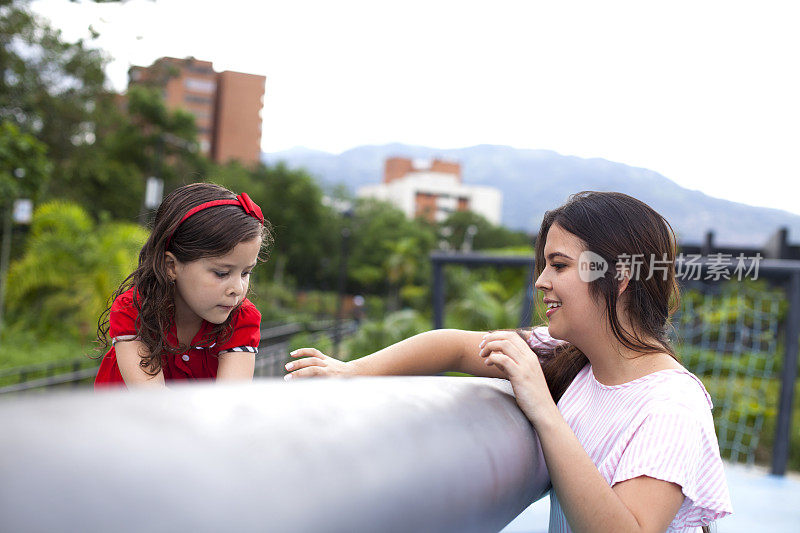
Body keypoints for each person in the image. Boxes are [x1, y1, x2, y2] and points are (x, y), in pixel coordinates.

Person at [285, 191, 733, 532]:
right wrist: (352, 371)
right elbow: (457, 346)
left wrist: (542, 407)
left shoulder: (671, 405)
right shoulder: (571, 355)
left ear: (619, 278)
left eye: (558, 265)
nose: (541, 281)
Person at [94, 182, 271, 389]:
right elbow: (154, 401)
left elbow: (228, 403)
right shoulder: (133, 309)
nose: (238, 289)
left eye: (245, 272)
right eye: (222, 273)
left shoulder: (241, 318)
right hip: (122, 419)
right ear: (171, 266)